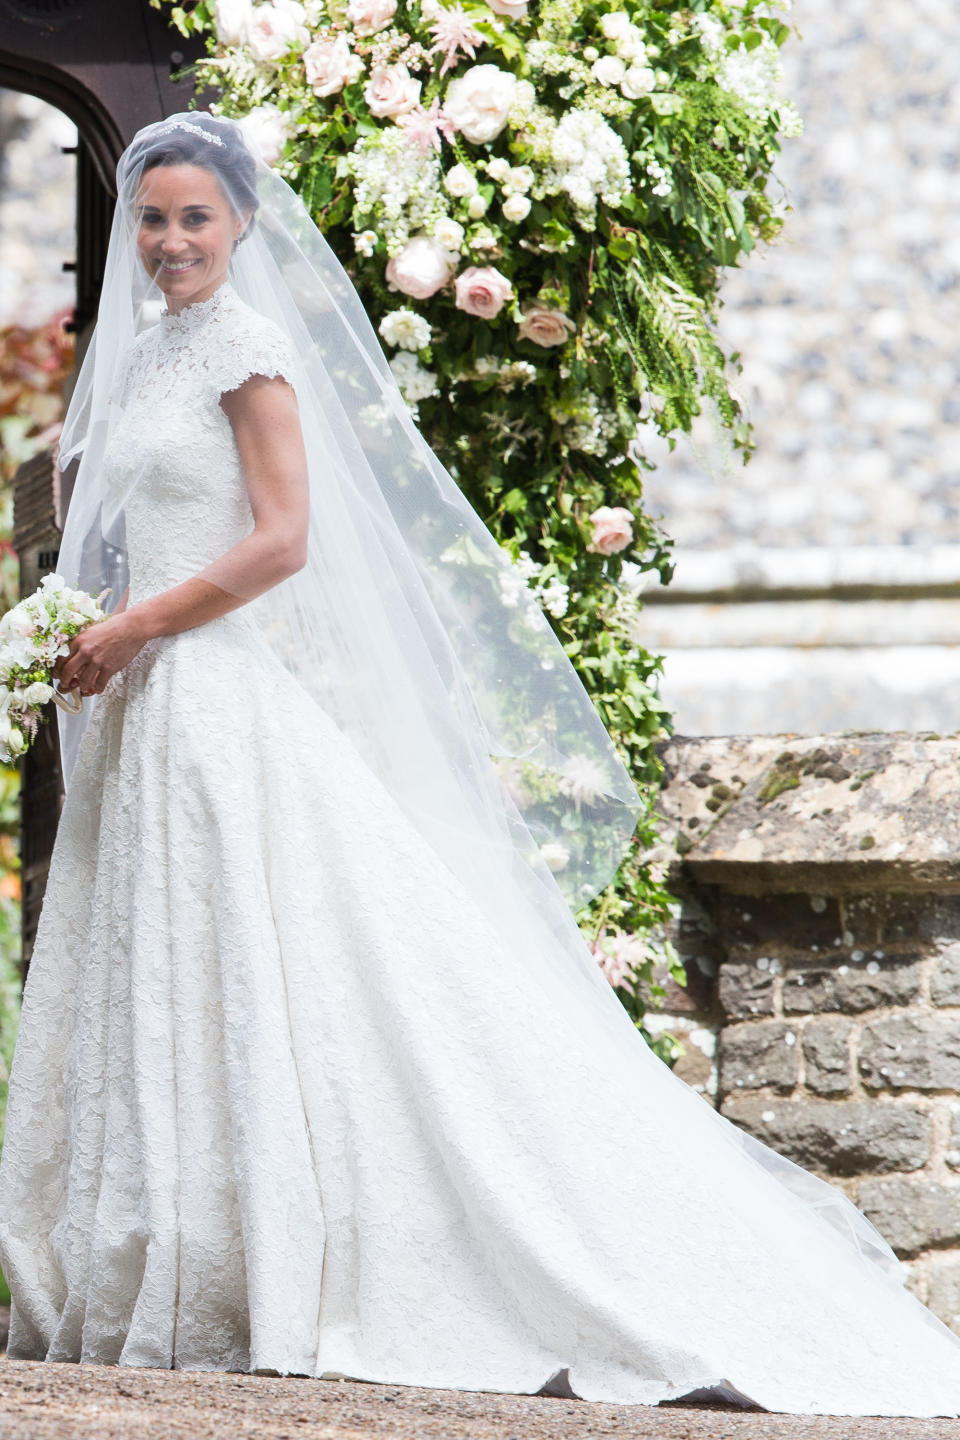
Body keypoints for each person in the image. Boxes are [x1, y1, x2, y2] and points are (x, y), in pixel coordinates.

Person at [0, 110, 959, 1416]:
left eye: (194, 219)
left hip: (210, 691)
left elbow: (283, 539)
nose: (170, 241)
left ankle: (297, 1261)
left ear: (241, 228)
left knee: (271, 957)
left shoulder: (249, 352)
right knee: (166, 961)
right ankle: (171, 1253)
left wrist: (133, 628)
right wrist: (72, 625)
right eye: (153, 218)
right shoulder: (147, 357)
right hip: (140, 703)